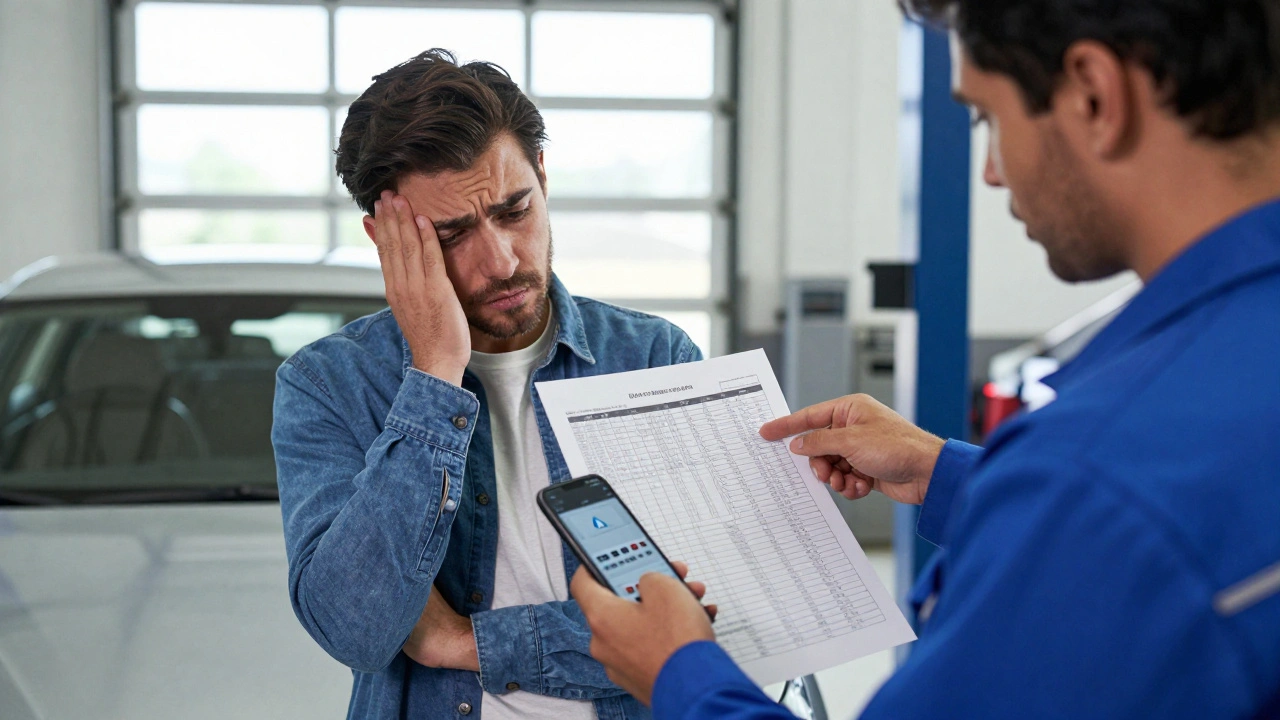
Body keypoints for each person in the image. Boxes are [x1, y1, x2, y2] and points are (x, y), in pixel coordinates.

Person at [570, 0, 1280, 717]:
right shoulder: (1149, 456)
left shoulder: (1091, 478)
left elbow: (1116, 520)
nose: (993, 173)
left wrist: (679, 672)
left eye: (986, 117)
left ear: (1094, 94)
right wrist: (951, 474)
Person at [271, 49, 699, 719]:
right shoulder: (329, 384)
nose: (501, 260)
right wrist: (435, 375)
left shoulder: (653, 359)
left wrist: (460, 642)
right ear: (385, 241)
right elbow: (354, 629)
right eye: (452, 233)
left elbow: (701, 628)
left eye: (514, 210)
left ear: (544, 183)